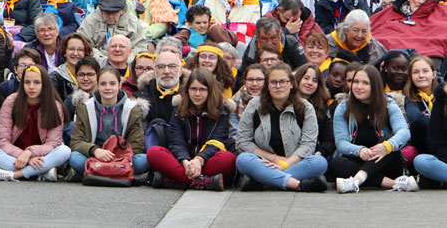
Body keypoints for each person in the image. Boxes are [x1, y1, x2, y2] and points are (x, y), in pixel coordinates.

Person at [234, 63, 328, 192]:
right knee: (243, 160)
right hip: (263, 162)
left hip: (294, 162)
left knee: (320, 162)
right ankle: (297, 184)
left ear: (291, 84)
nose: (278, 86)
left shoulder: (305, 108)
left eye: (283, 81)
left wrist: (284, 164)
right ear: (267, 85)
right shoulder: (255, 105)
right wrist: (274, 159)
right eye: (273, 82)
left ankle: (263, 182)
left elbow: (308, 145)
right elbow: (242, 141)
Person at [147, 67, 235, 190]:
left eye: (202, 90)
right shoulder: (178, 110)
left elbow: (217, 141)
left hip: (207, 161)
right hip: (183, 162)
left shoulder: (222, 112)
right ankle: (203, 182)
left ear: (210, 91)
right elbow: (177, 141)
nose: (197, 94)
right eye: (193, 89)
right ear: (187, 90)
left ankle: (177, 181)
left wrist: (199, 159)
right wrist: (185, 162)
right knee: (154, 152)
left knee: (228, 158)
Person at [331, 64, 415, 192]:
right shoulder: (343, 107)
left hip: (385, 160)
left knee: (388, 140)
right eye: (356, 82)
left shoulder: (389, 104)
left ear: (375, 86)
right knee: (335, 164)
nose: (359, 87)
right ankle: (394, 183)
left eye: (365, 83)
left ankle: (356, 181)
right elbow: (341, 142)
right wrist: (360, 151)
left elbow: (404, 132)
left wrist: (387, 146)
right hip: (357, 159)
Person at [0, 63, 70, 181]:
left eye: (37, 82)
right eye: (27, 82)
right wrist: (24, 157)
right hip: (14, 155)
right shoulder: (11, 102)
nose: (31, 87)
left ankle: (14, 175)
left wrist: (30, 152)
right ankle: (42, 172)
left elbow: (53, 143)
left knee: (64, 151)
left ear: (44, 84)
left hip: (42, 154)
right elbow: (3, 140)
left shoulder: (55, 106)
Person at [69, 66, 149, 179]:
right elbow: (76, 141)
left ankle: (97, 172)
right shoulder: (85, 108)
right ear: (97, 85)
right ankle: (116, 172)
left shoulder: (133, 109)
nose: (108, 88)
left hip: (121, 157)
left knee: (144, 160)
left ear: (119, 85)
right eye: (103, 84)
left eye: (112, 84)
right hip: (95, 156)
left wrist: (116, 156)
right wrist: (95, 150)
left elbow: (137, 144)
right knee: (74, 158)